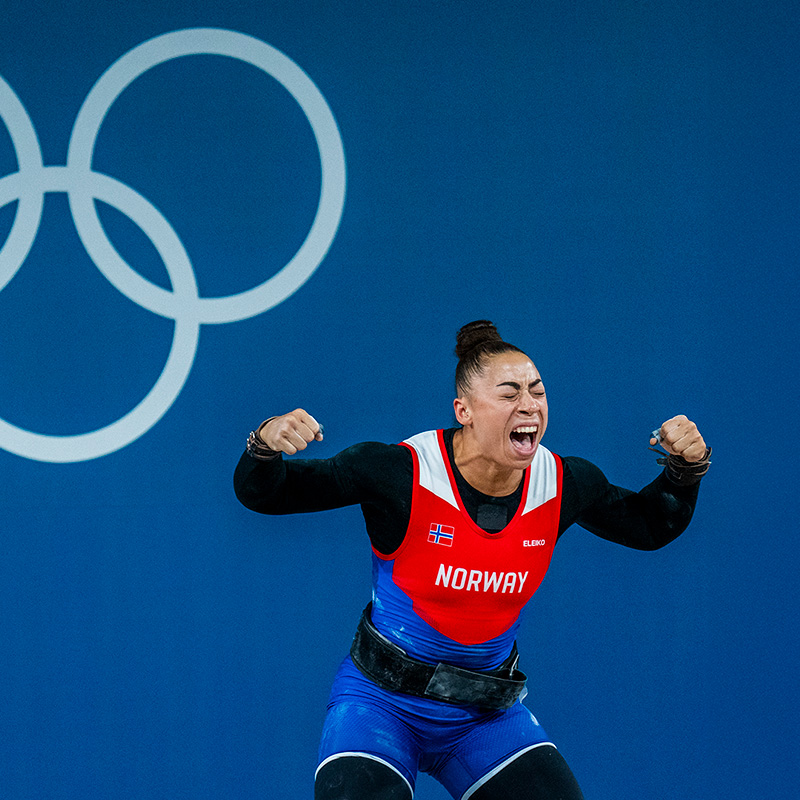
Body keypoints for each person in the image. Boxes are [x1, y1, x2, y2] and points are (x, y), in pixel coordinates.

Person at [233, 320, 710, 800]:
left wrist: (684, 469)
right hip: (379, 707)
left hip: (486, 721)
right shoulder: (397, 473)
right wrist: (265, 444)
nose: (529, 405)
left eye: (538, 391)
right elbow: (266, 494)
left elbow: (651, 525)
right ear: (464, 410)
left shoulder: (563, 484)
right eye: (509, 393)